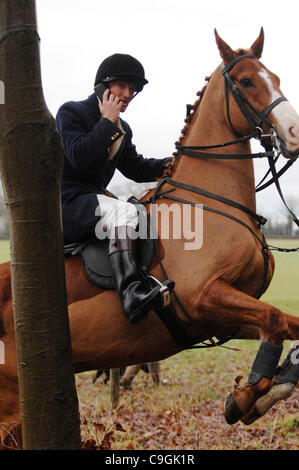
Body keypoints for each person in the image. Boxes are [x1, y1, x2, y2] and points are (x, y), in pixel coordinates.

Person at [56, 53, 173, 324]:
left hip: (94, 204)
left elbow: (137, 168)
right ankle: (131, 294)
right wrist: (106, 122)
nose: (128, 94)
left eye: (133, 89)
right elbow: (80, 157)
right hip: (68, 205)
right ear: (103, 86)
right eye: (122, 86)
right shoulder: (71, 112)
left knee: (140, 212)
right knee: (126, 213)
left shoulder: (123, 128)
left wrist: (175, 162)